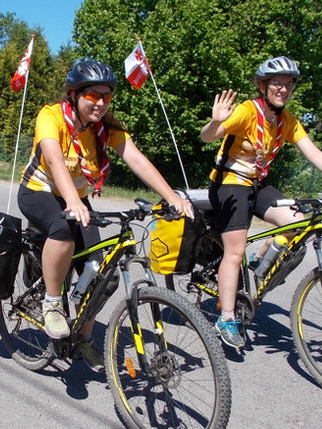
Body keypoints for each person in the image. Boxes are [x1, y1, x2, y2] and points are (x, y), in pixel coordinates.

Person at [17, 59, 194, 371]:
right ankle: (53, 304)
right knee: (60, 229)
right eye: (93, 95)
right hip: (39, 191)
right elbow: (55, 160)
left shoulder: (106, 126)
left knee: (100, 269)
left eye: (107, 96)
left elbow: (136, 159)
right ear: (73, 94)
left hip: (78, 199)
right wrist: (72, 201)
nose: (100, 103)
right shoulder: (51, 116)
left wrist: (172, 197)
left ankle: (84, 336)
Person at [200, 56, 322, 349]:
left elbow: (314, 154)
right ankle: (226, 317)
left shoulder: (287, 120)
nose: (283, 89)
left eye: (288, 84)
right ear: (263, 86)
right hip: (229, 184)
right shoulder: (246, 111)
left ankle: (260, 262)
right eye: (277, 83)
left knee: (300, 222)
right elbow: (208, 137)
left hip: (258, 185)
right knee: (235, 250)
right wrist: (216, 120)